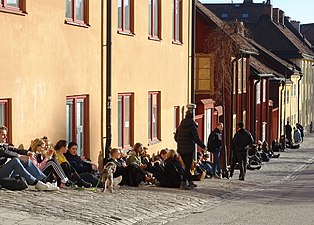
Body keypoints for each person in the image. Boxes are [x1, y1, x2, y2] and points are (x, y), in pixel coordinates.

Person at [0, 126, 57, 191]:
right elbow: (4, 152)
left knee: (27, 161)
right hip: (1, 173)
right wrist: (18, 156)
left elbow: (15, 150)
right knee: (15, 160)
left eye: (6, 135)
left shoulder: (4, 145)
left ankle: (44, 181)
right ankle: (36, 183)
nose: (5, 137)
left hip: (6, 172)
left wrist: (27, 152)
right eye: (3, 135)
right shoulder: (1, 148)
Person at [174, 111, 206, 190]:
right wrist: (203, 146)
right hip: (188, 149)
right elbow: (196, 138)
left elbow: (176, 137)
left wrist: (180, 143)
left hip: (181, 149)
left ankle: (190, 181)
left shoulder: (180, 126)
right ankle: (183, 183)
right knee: (188, 167)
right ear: (192, 117)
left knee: (186, 166)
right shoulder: (192, 126)